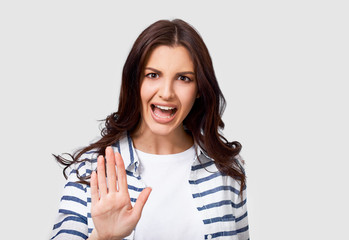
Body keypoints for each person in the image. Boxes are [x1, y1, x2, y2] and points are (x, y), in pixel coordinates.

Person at [51, 19, 249, 240]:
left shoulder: (226, 170)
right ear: (135, 82)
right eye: (153, 75)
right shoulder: (91, 170)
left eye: (184, 78)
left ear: (200, 89)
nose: (166, 92)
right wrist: (103, 237)